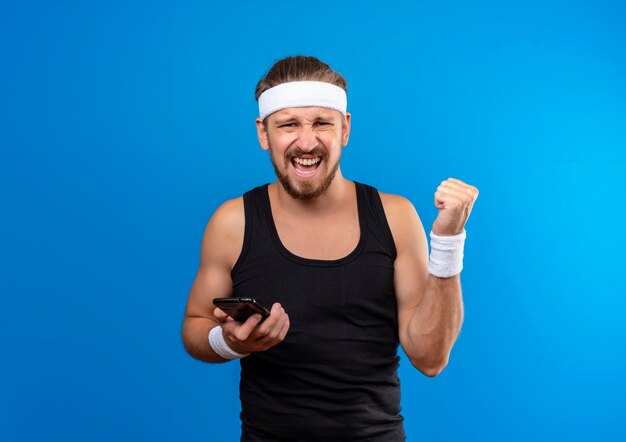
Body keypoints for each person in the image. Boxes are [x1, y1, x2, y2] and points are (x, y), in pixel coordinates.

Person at [181, 55, 479, 441]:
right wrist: (230, 342)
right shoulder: (232, 222)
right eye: (288, 124)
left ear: (345, 129)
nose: (307, 141)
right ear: (263, 133)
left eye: (322, 122)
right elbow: (194, 327)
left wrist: (448, 243)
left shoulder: (395, 217)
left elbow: (431, 358)